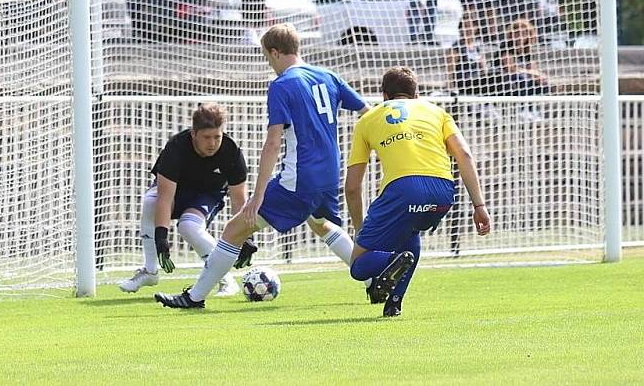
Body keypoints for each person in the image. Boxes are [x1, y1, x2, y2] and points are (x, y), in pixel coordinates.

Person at [154, 23, 369, 309]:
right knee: (321, 224)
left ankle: (194, 297)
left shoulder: (283, 84)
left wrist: (257, 196)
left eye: (268, 58)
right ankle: (374, 278)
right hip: (329, 173)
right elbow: (366, 113)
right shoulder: (328, 75)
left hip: (299, 176)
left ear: (275, 52)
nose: (270, 64)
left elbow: (272, 143)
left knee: (234, 229)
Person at [345, 66, 491, 317]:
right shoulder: (436, 112)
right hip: (444, 192)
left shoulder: (367, 120)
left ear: (384, 96)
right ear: (416, 94)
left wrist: (360, 231)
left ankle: (391, 264)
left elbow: (352, 186)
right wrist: (479, 206)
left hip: (403, 190)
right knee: (411, 234)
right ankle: (394, 303)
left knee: (358, 266)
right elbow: (464, 155)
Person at [117, 103, 247, 297]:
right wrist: (161, 238)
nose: (212, 143)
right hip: (177, 191)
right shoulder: (176, 148)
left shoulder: (231, 152)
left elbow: (238, 200)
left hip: (208, 195)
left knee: (188, 227)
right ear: (194, 133)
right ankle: (150, 271)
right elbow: (165, 197)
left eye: (217, 137)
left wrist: (246, 237)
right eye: (206, 137)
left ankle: (225, 279)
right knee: (150, 200)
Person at [497, 18, 550, 97]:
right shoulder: (506, 47)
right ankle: (521, 107)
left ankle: (533, 107)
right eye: (517, 33)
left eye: (523, 33)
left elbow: (532, 68)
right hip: (504, 79)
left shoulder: (527, 50)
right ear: (511, 34)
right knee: (522, 78)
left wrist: (539, 75)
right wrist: (531, 73)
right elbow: (510, 68)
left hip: (522, 76)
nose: (520, 36)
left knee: (542, 81)